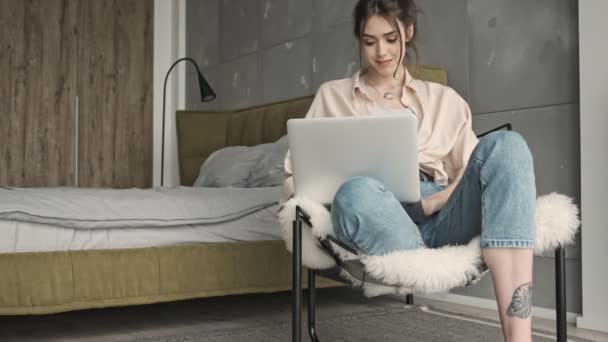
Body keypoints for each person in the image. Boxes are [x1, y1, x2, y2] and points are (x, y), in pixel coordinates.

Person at [280, 0, 536, 341]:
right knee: (356, 191)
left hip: (443, 212)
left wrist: (432, 203)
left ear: (408, 32)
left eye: (390, 38)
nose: (381, 51)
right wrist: (321, 190)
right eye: (369, 42)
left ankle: (519, 339)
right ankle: (414, 249)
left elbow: (474, 170)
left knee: (509, 145)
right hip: (376, 214)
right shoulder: (332, 97)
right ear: (359, 40)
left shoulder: (445, 100)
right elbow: (293, 177)